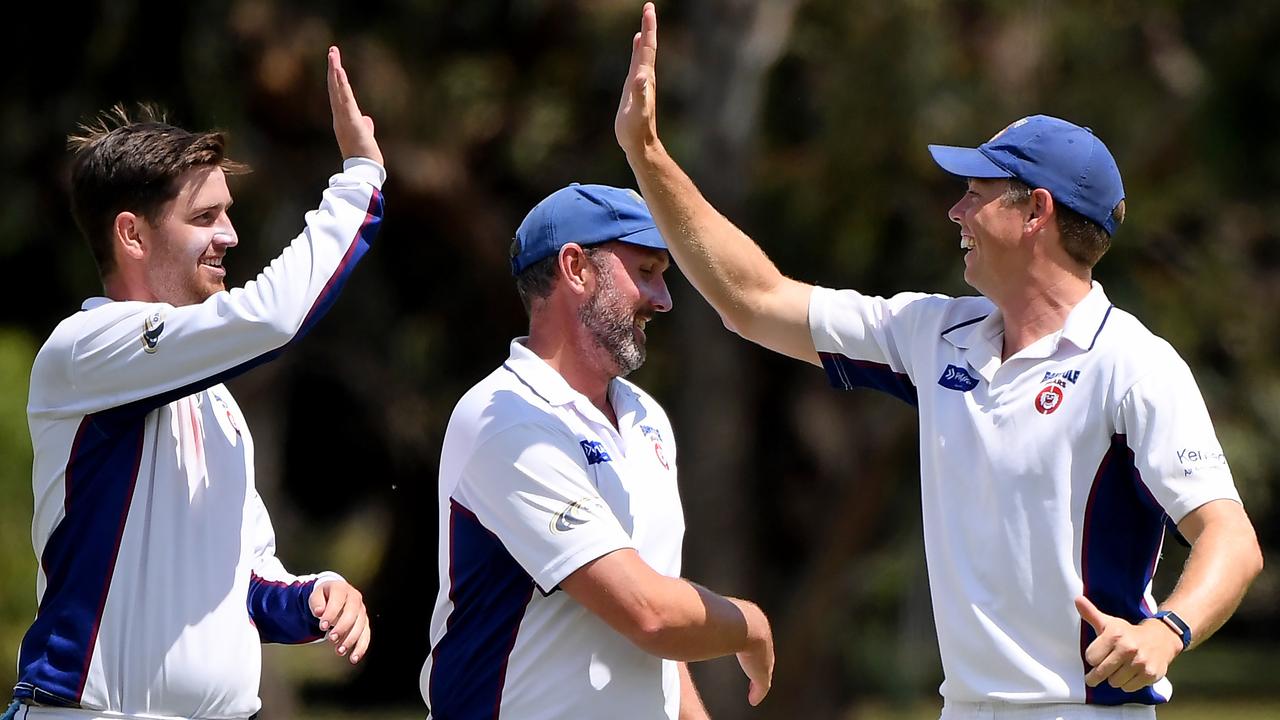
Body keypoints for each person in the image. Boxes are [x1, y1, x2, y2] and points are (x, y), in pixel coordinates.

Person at [613, 4, 1263, 719]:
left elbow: (1230, 539)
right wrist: (647, 153)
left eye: (976, 195)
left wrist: (1167, 633)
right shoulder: (934, 334)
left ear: (1036, 212)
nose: (955, 212)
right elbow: (753, 299)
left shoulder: (1133, 364)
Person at [8, 47, 382, 720]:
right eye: (205, 217)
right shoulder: (86, 350)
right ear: (131, 234)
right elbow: (272, 317)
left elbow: (247, 581)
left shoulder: (216, 401)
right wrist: (361, 180)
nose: (231, 236)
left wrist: (314, 595)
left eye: (228, 214)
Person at [420, 183, 774, 719]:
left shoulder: (645, 417)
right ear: (576, 268)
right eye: (647, 271)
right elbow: (647, 612)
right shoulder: (507, 418)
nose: (664, 299)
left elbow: (660, 605)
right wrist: (751, 626)